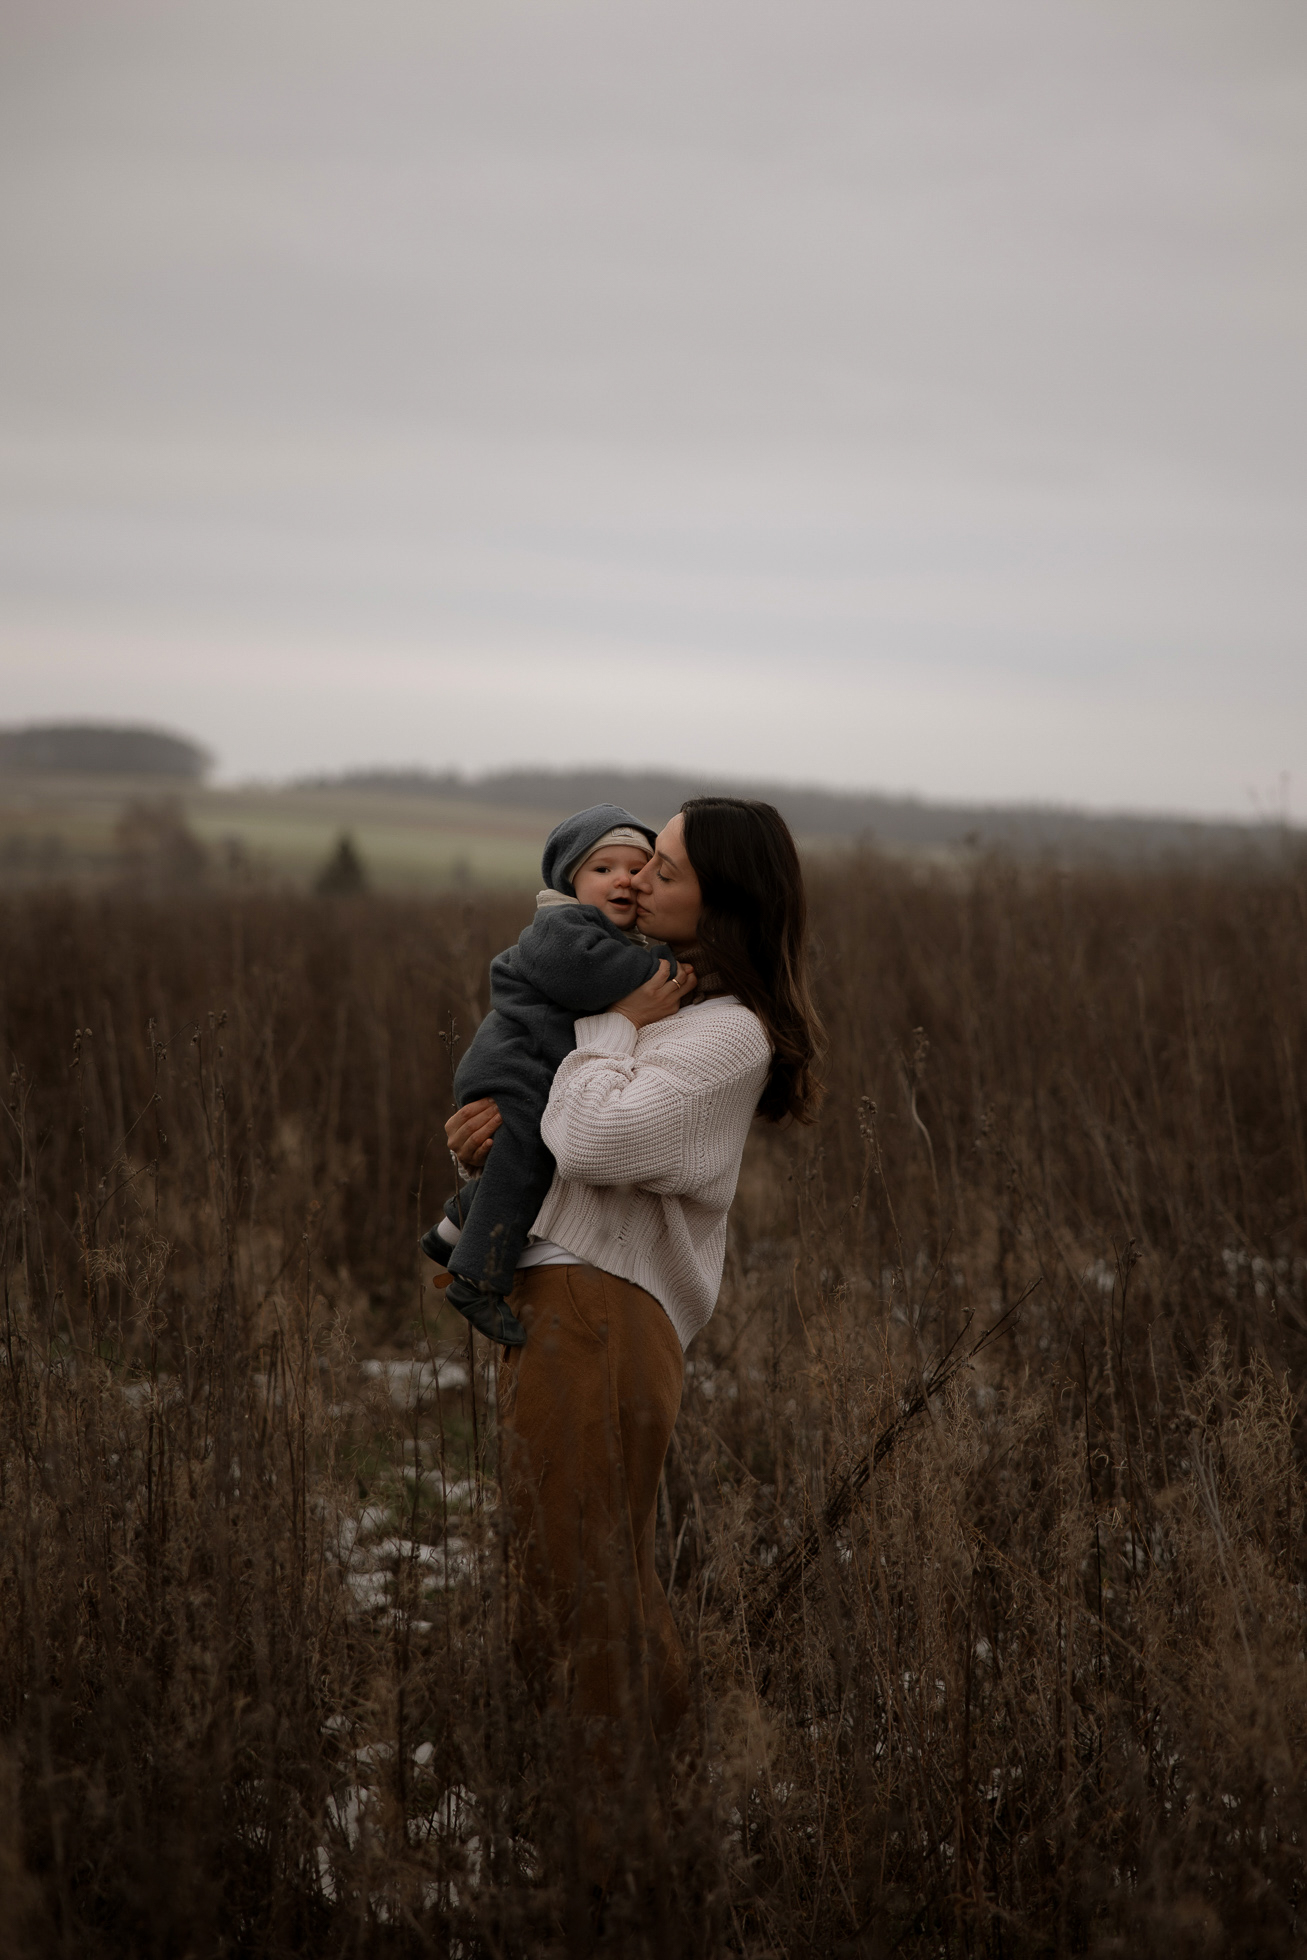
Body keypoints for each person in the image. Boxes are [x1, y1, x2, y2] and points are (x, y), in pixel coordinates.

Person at [443, 796, 823, 1852]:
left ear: (722, 900)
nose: (637, 881)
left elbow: (598, 1136)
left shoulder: (719, 1030)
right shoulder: (666, 1005)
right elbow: (562, 1133)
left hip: (601, 1312)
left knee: (584, 1577)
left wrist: (611, 1028)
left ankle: (622, 1829)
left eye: (664, 867)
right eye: (640, 861)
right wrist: (485, 1142)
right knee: (557, 1565)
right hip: (567, 1296)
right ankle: (588, 1810)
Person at [423, 803, 677, 1347]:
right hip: (516, 1063)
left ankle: (449, 1234)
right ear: (570, 878)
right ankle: (475, 1279)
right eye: (603, 868)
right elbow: (589, 979)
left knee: (530, 1163)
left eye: (637, 868)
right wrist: (669, 970)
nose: (623, 881)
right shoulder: (563, 927)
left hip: (535, 1064)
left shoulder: (602, 934)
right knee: (524, 1160)